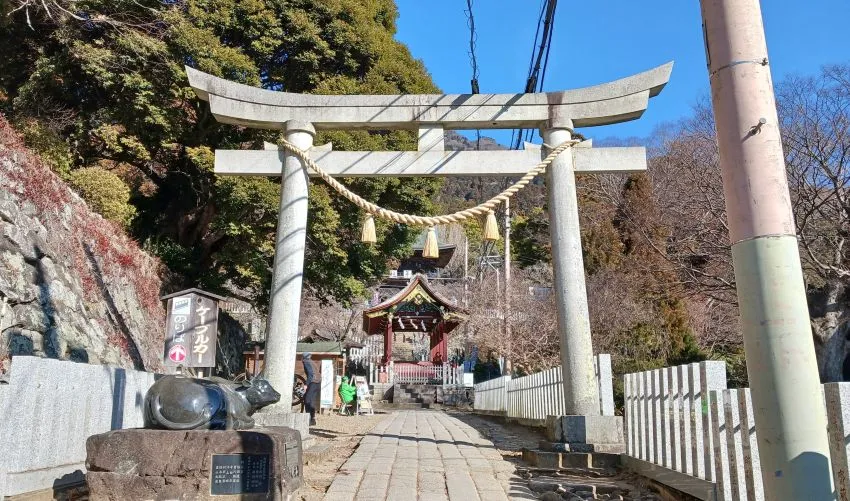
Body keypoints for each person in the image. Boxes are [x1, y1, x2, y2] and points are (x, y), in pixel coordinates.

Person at [302, 353, 320, 426]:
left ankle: (308, 420)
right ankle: (313, 420)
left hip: (313, 382)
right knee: (311, 401)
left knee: (307, 400)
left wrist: (306, 384)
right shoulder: (312, 362)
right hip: (318, 382)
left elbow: (310, 374)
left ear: (304, 357)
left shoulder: (306, 362)